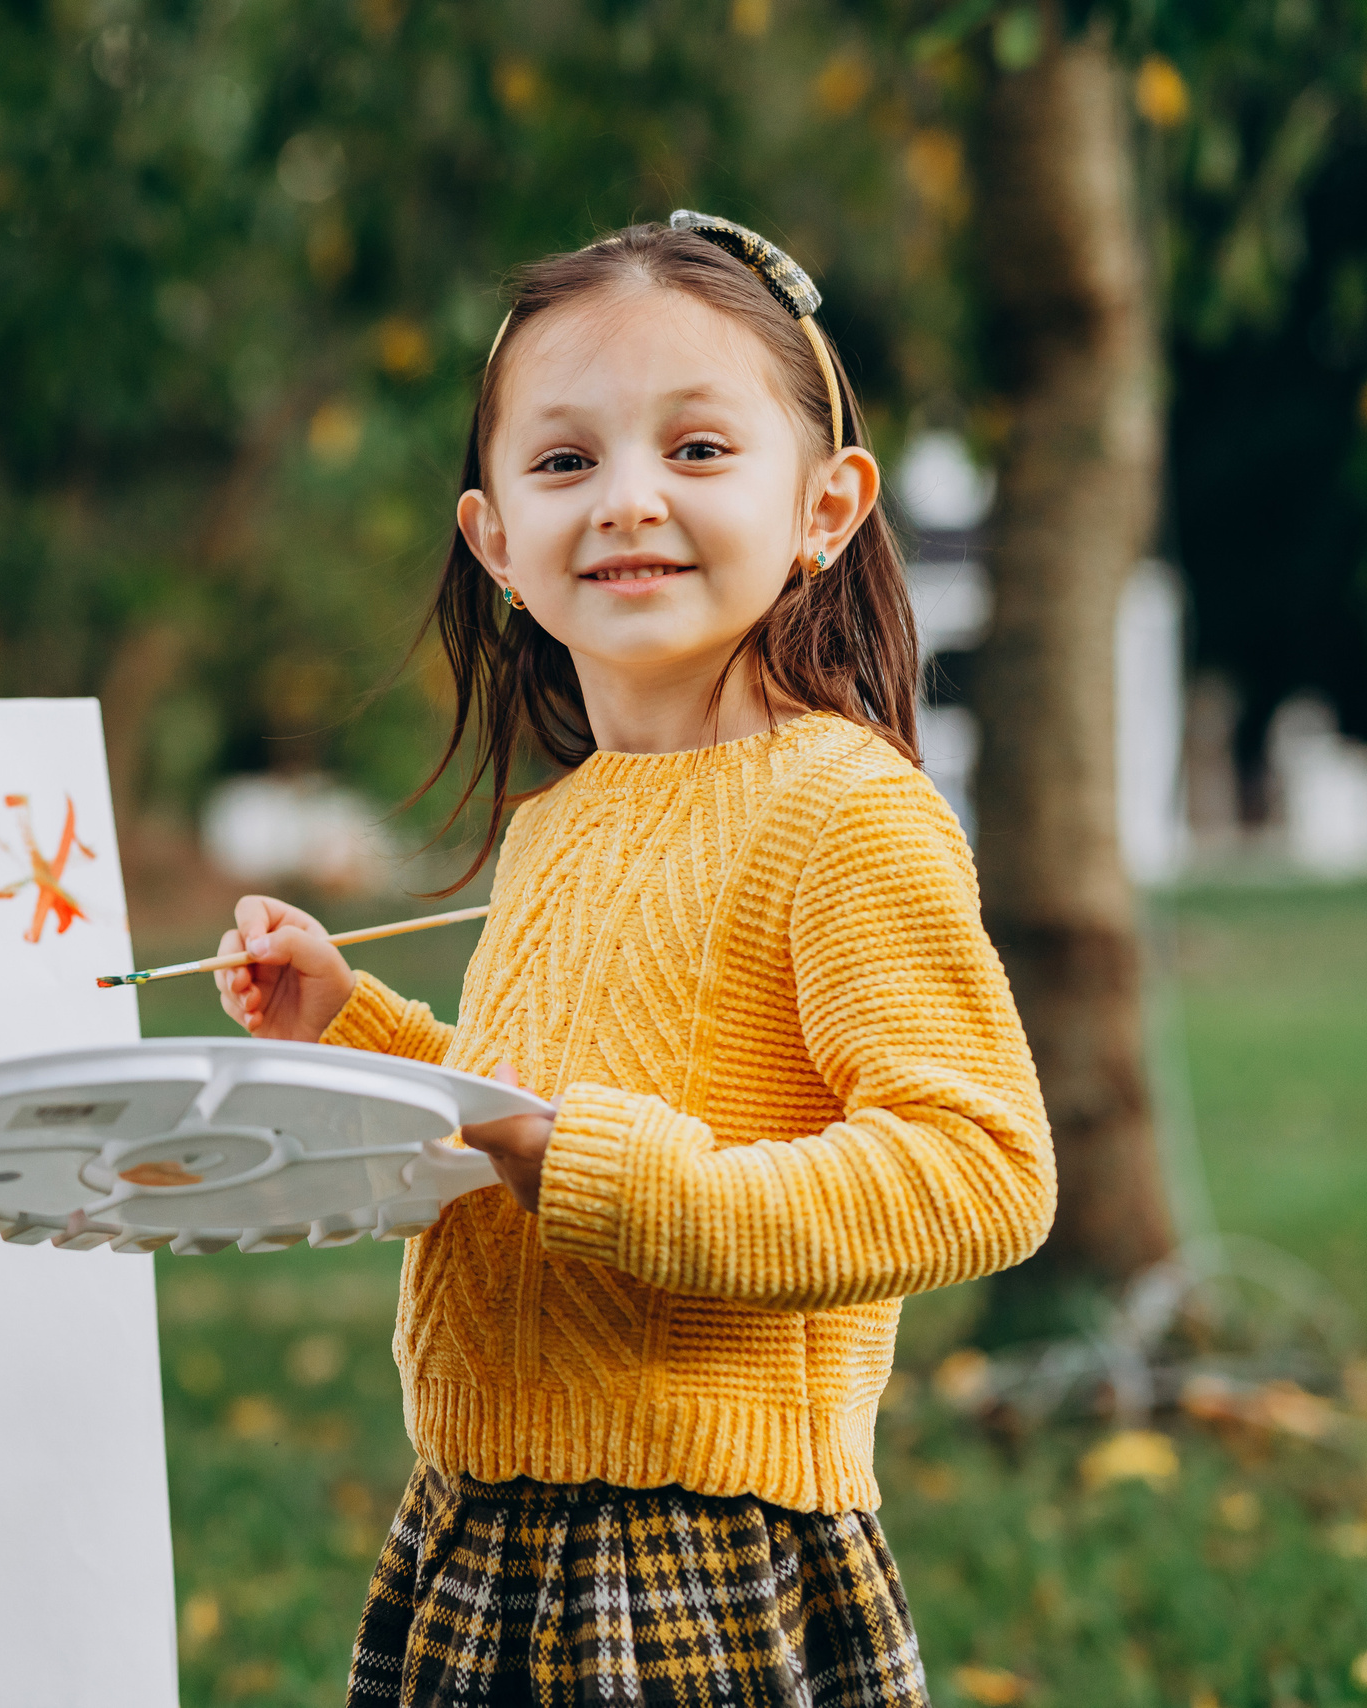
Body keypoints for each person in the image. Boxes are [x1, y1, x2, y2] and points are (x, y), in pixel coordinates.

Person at [216, 217, 1054, 1707]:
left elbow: (982, 1167)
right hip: (475, 1535)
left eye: (699, 449)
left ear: (829, 504)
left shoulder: (845, 810)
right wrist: (350, 1026)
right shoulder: (558, 825)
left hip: (696, 1561)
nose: (627, 501)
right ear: (493, 541)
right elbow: (512, 1129)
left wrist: (610, 1173)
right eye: (563, 463)